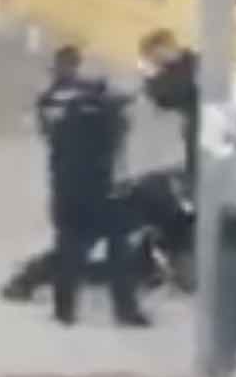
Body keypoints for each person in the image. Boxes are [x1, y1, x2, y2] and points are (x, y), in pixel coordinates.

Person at [26, 47, 149, 327]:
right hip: (101, 190)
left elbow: (50, 137)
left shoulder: (55, 108)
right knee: (118, 246)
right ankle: (125, 309)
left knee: (69, 246)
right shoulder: (108, 114)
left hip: (66, 188)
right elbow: (120, 138)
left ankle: (64, 309)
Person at [139, 29, 200, 184]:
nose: (155, 60)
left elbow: (169, 97)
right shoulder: (184, 65)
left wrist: (149, 76)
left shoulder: (190, 65)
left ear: (164, 48)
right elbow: (164, 101)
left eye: (154, 55)